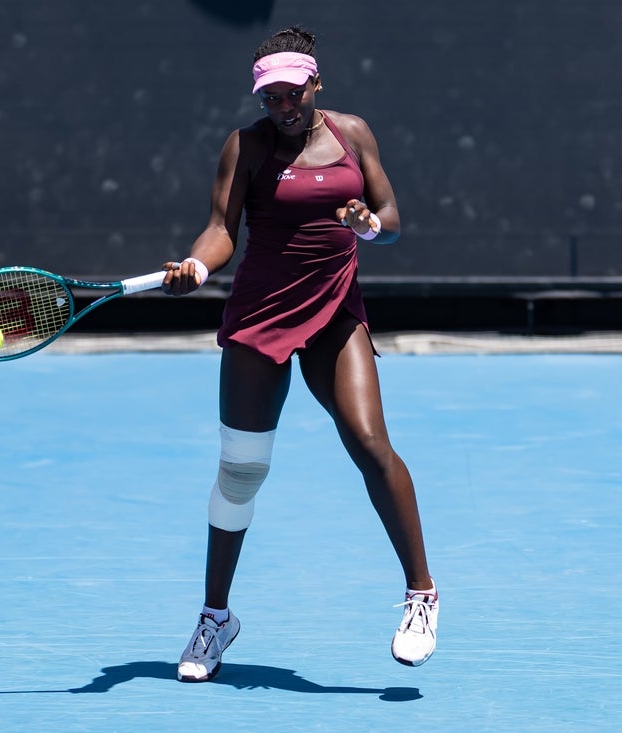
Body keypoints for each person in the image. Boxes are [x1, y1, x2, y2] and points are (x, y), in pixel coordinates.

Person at [161, 25, 438, 683]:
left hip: (334, 312)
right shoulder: (247, 146)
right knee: (241, 471)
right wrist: (198, 265)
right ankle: (215, 616)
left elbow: (391, 219)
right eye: (271, 97)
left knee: (369, 442)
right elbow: (221, 229)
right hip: (260, 317)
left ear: (316, 84)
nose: (282, 107)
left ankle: (422, 594)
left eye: (293, 94)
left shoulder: (353, 134)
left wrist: (369, 225)